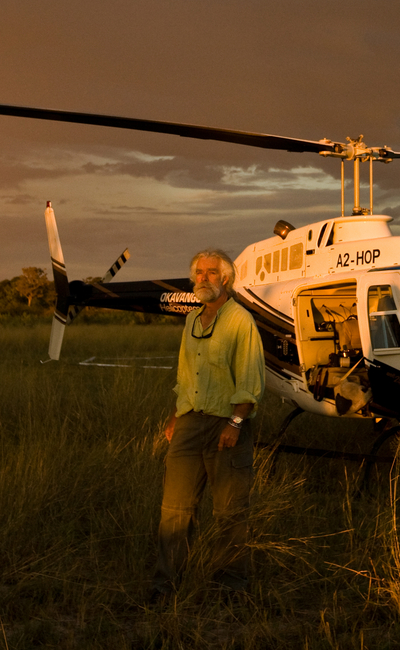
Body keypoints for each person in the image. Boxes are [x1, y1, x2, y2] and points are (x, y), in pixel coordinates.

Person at [150, 247, 265, 598]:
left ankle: (231, 588)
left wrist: (235, 423)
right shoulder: (191, 320)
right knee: (174, 510)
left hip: (225, 425)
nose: (204, 278)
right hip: (189, 421)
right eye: (199, 273)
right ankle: (165, 586)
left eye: (212, 272)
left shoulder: (240, 320)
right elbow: (185, 375)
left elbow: (250, 380)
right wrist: (176, 416)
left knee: (230, 512)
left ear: (226, 278)